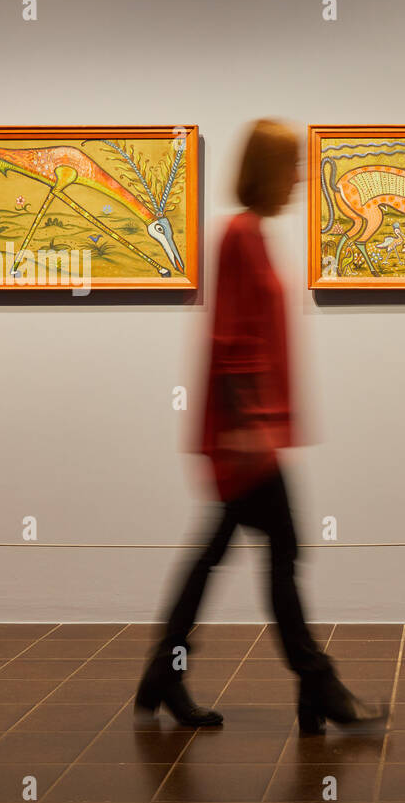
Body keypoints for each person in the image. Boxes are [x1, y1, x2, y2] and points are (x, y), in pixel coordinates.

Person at [136, 119, 384, 734]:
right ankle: (317, 685)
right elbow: (232, 340)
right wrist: (248, 425)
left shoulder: (253, 235)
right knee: (281, 555)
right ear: (266, 170)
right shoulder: (240, 236)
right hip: (246, 439)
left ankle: (165, 676)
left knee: (225, 555)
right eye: (292, 165)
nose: (300, 177)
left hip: (254, 434)